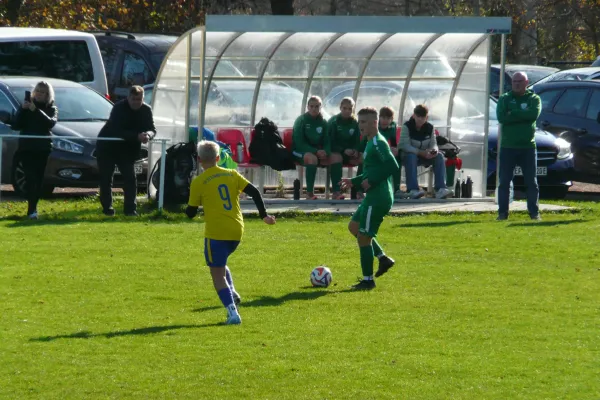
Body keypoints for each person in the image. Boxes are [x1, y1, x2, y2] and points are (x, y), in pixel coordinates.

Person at [186, 141, 276, 325]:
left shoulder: (199, 182)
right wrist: (263, 215)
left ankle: (232, 313)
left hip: (216, 234)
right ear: (218, 158)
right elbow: (255, 192)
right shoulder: (232, 174)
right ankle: (233, 293)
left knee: (216, 275)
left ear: (199, 160)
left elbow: (191, 213)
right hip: (236, 231)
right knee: (220, 263)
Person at [340, 107, 398, 290]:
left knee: (363, 238)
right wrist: (354, 181)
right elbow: (371, 171)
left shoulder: (379, 143)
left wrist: (371, 181)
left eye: (364, 122)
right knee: (354, 227)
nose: (360, 126)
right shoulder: (370, 142)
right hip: (373, 196)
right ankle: (382, 258)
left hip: (378, 198)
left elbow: (392, 165)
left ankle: (367, 280)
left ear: (374, 123)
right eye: (359, 122)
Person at [96, 85, 156, 216]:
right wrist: (136, 136)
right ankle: (108, 209)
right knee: (106, 179)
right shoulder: (118, 108)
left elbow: (152, 128)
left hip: (127, 150)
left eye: (139, 99)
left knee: (130, 178)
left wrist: (148, 135)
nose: (136, 102)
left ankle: (130, 210)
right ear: (128, 97)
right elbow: (116, 129)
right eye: (133, 99)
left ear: (143, 98)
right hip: (108, 146)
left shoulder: (146, 110)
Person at [496, 71, 542, 221]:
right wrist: (522, 114)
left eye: (520, 81)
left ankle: (534, 213)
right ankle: (502, 213)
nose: (516, 84)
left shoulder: (534, 99)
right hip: (508, 147)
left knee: (531, 182)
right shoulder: (504, 99)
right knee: (504, 181)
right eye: (514, 81)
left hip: (528, 147)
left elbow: (532, 115)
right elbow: (502, 117)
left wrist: (513, 113)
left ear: (526, 83)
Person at [9, 81, 58, 219]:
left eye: (43, 93)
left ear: (48, 95)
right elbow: (16, 125)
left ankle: (33, 209)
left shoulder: (51, 108)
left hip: (42, 148)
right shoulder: (26, 106)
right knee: (30, 178)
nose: (40, 95)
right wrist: (23, 110)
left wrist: (35, 110)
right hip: (26, 148)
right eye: (38, 91)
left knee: (38, 178)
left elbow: (50, 123)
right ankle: (31, 210)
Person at [400, 104, 452, 200]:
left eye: (423, 117)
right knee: (411, 156)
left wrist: (434, 151)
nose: (420, 119)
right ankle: (413, 190)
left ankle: (440, 189)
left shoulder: (430, 128)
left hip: (424, 156)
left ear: (426, 117)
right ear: (414, 115)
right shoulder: (407, 126)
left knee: (439, 156)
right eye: (418, 116)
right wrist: (420, 152)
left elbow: (434, 144)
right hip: (408, 157)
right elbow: (405, 146)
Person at [292, 96, 331, 200]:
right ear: (308, 107)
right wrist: (316, 151)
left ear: (320, 107)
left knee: (336, 158)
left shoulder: (323, 122)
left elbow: (327, 141)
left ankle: (336, 191)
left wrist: (326, 152)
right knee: (312, 158)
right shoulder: (301, 120)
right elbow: (299, 143)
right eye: (312, 106)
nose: (314, 109)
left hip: (317, 152)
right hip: (298, 152)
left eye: (317, 106)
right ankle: (309, 193)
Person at [327, 97, 362, 200]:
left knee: (362, 158)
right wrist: (342, 150)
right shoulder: (333, 122)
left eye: (350, 109)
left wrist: (355, 150)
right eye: (344, 108)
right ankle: (336, 192)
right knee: (337, 158)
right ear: (340, 108)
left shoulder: (355, 122)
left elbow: (357, 140)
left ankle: (359, 190)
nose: (347, 111)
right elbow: (330, 142)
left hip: (349, 153)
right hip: (336, 152)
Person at [378, 106, 408, 198]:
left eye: (388, 118)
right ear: (379, 117)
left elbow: (393, 141)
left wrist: (395, 149)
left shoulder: (392, 126)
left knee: (397, 159)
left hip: (386, 151)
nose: (385, 120)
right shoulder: (375, 126)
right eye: (383, 118)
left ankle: (396, 188)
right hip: (375, 151)